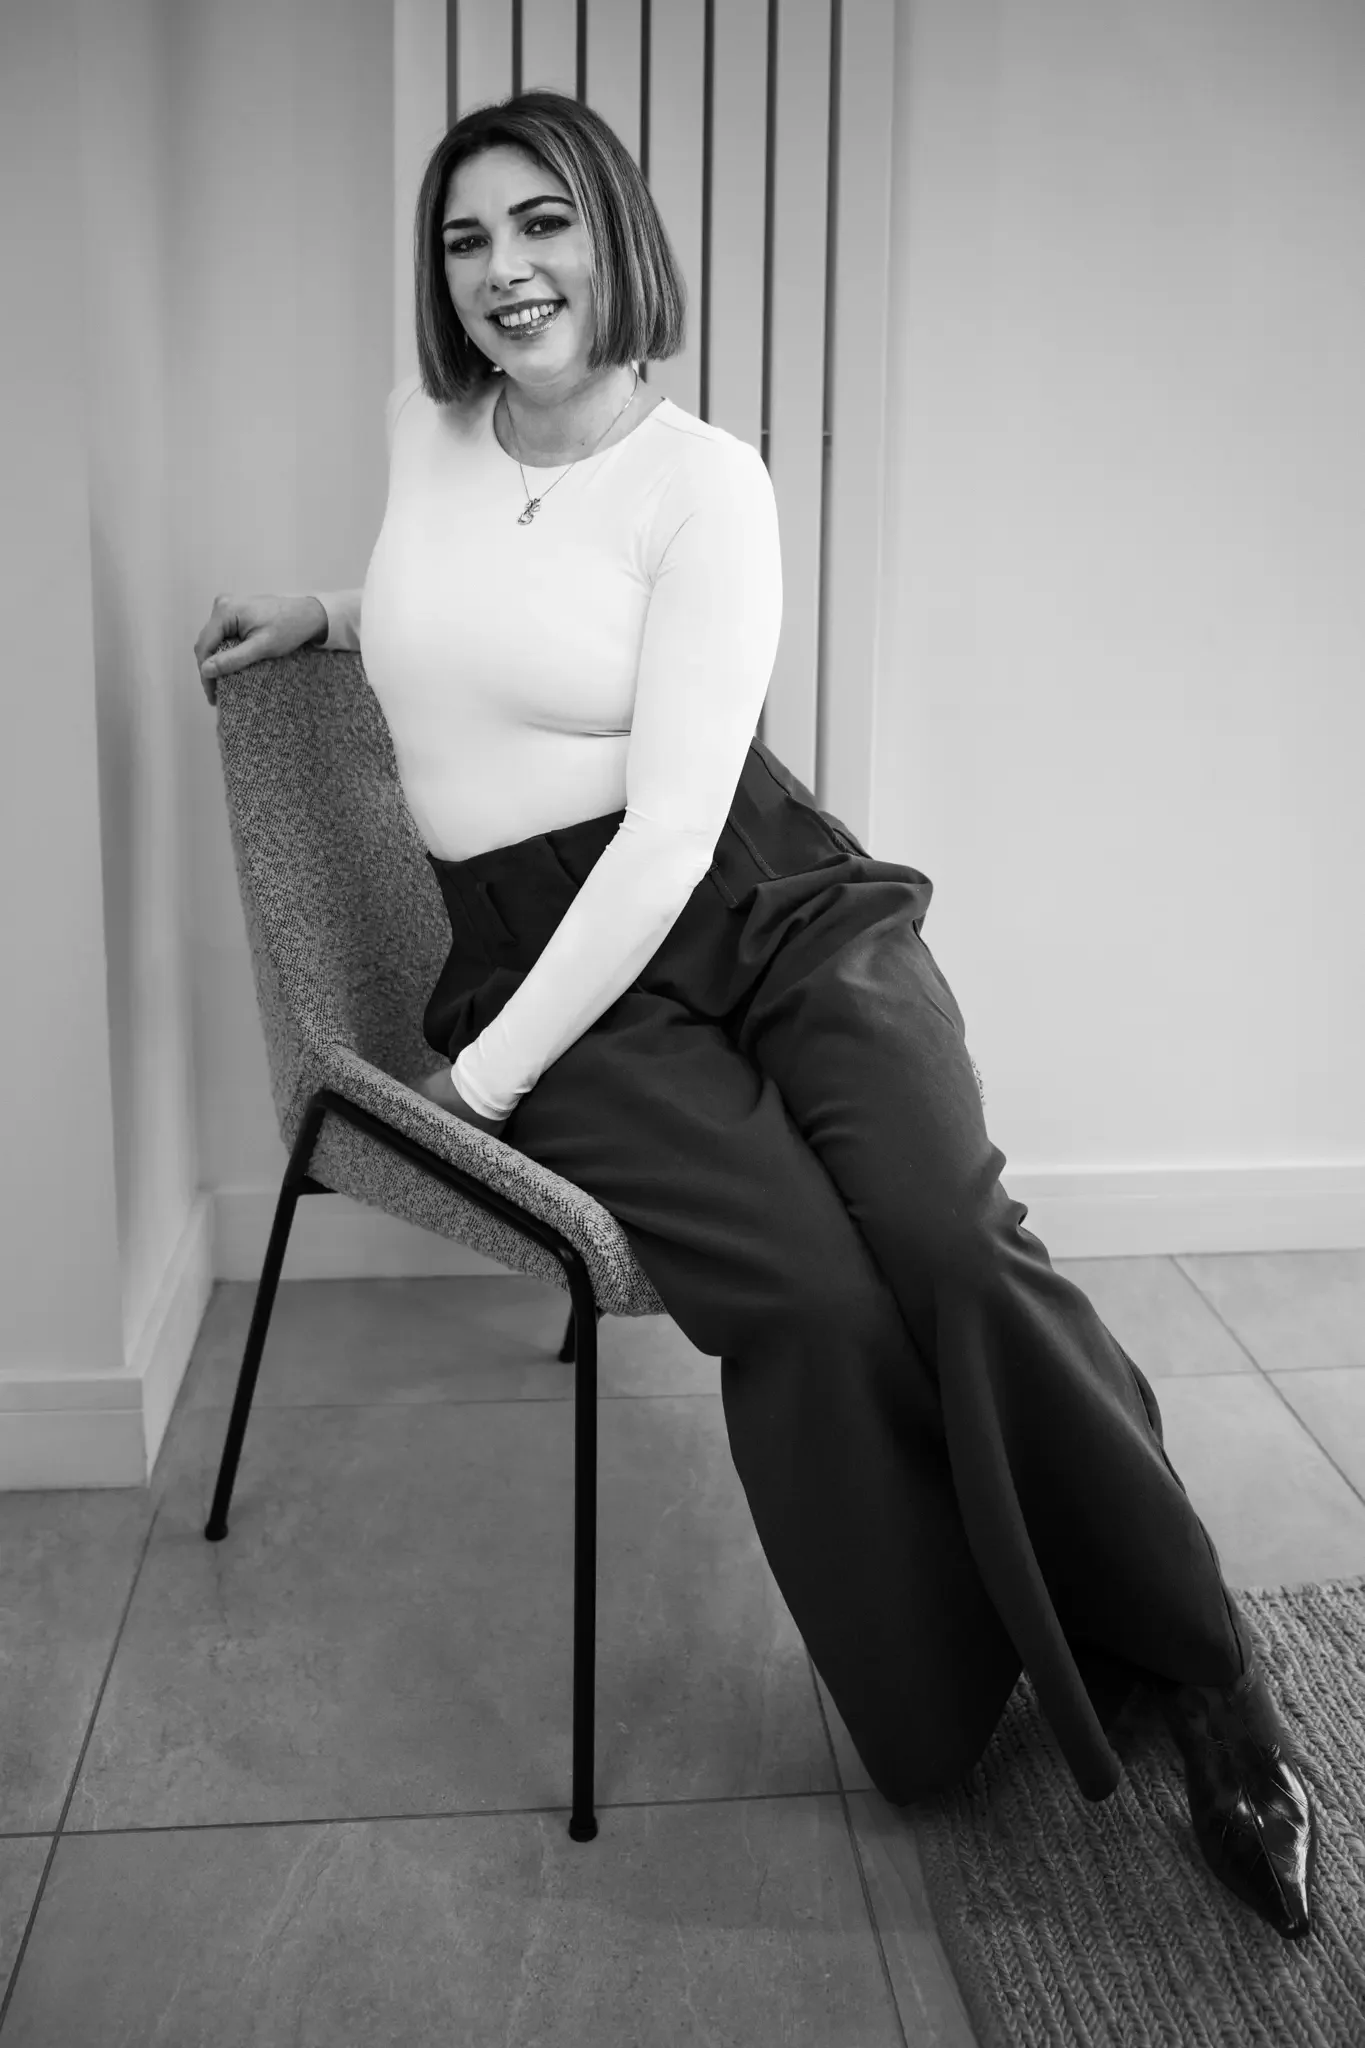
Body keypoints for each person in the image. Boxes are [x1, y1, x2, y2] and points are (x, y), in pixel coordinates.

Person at [193, 90, 1318, 1941]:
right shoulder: (425, 432)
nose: (502, 274)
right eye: (466, 240)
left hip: (755, 898)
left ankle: (1208, 1682)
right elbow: (465, 605)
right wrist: (328, 609)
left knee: (949, 1237)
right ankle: (957, 1682)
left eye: (539, 225)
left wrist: (472, 1086)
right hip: (544, 952)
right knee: (802, 1289)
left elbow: (665, 839)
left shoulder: (710, 478)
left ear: (614, 233)